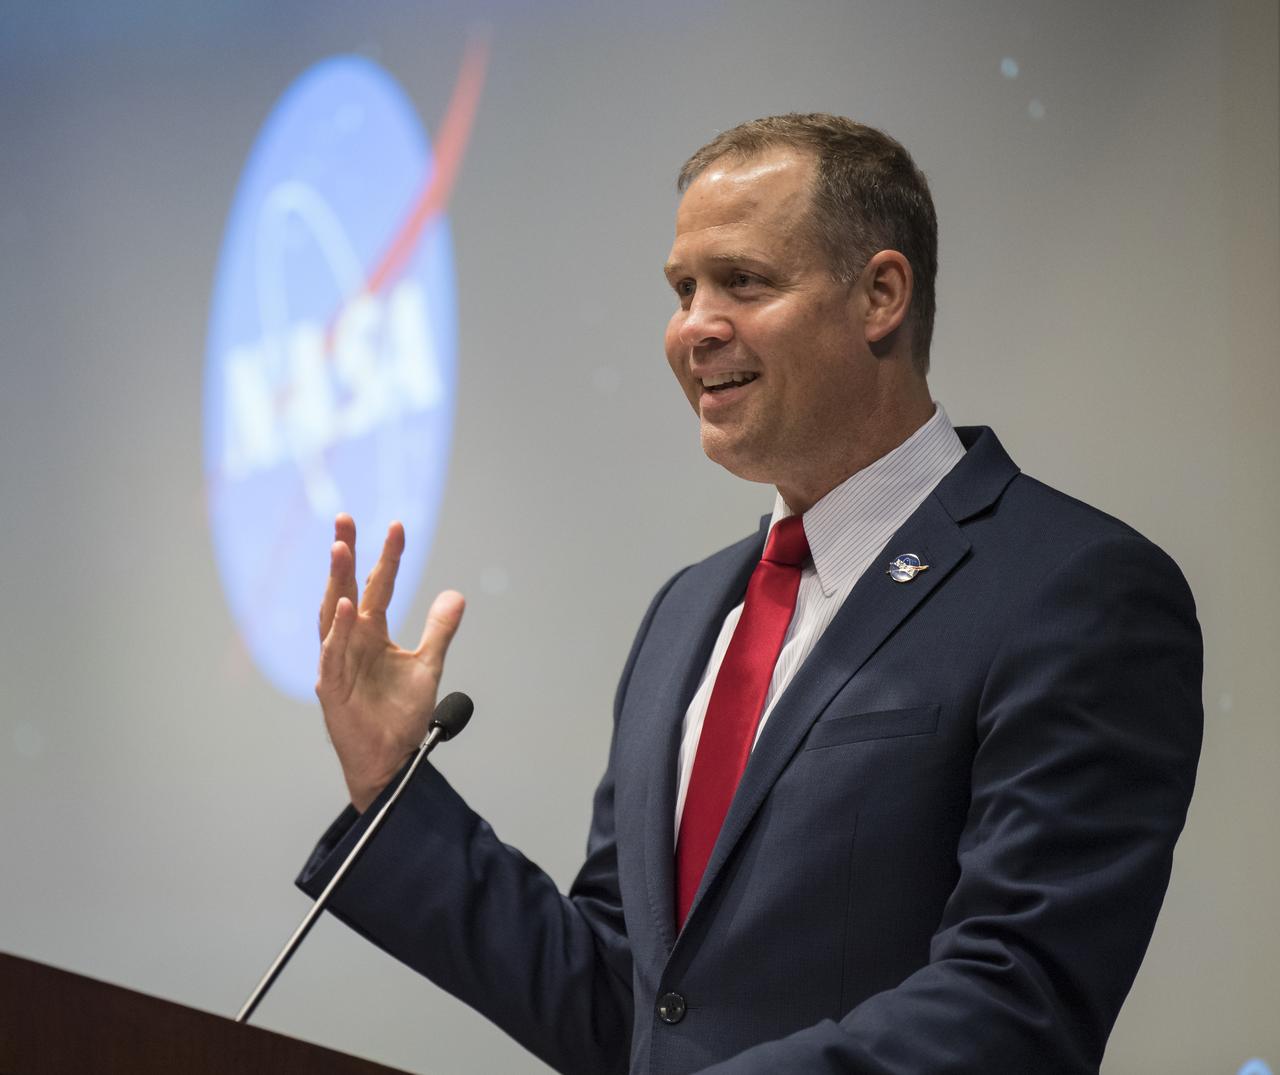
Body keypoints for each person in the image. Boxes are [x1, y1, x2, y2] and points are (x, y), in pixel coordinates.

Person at [300, 114, 1202, 1074]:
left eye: (743, 281)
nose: (693, 325)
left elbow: (1017, 1000)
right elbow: (632, 1004)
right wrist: (390, 788)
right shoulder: (687, 614)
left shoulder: (1074, 589)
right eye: (683, 289)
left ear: (881, 295)